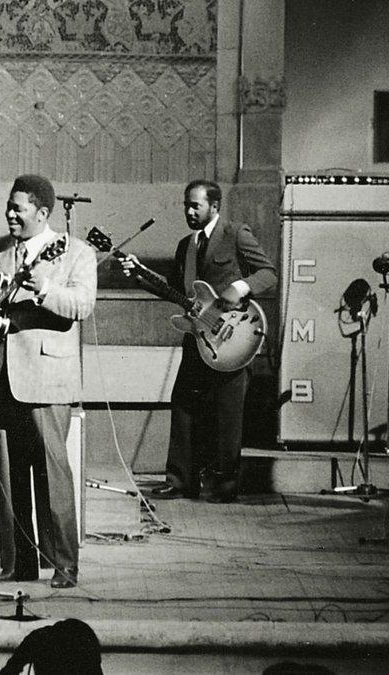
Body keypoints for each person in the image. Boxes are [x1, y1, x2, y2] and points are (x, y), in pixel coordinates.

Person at [0, 174, 96, 589]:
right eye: (9, 206)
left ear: (42, 213)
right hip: (2, 374)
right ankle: (17, 564)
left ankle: (64, 566)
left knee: (53, 473)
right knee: (10, 475)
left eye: (18, 208)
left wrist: (44, 289)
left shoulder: (76, 253)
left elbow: (82, 305)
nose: (10, 213)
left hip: (47, 376)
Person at [132, 179, 276, 504]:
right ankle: (180, 481)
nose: (189, 210)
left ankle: (224, 485)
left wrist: (239, 288)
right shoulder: (186, 245)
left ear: (215, 206)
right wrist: (138, 275)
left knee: (227, 413)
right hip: (198, 338)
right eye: (186, 204)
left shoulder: (235, 233)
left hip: (231, 337)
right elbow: (175, 291)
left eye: (195, 205)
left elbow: (268, 274)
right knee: (183, 404)